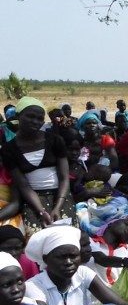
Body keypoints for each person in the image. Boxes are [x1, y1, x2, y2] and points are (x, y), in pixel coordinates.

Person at [1, 97, 76, 236]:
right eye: (30, 116)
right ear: (18, 116)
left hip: (60, 196)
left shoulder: (54, 140)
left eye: (40, 118)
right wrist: (41, 211)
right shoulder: (9, 149)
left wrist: (58, 207)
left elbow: (64, 178)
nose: (35, 121)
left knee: (67, 233)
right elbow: (23, 185)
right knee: (36, 234)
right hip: (32, 199)